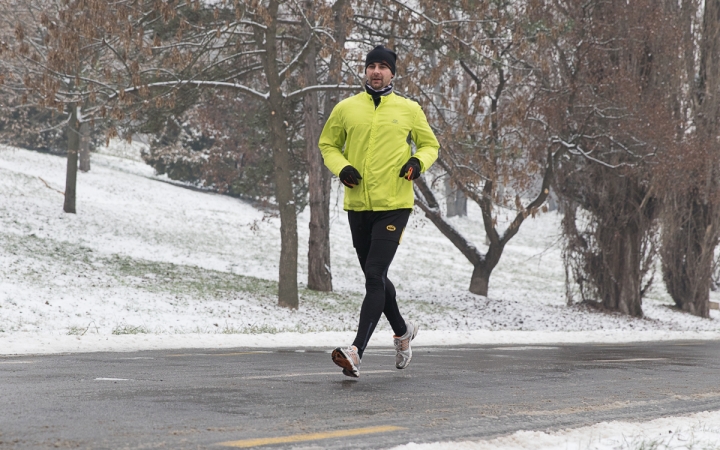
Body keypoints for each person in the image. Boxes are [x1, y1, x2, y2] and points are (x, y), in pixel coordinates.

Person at [318, 45, 440, 378]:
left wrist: (418, 161)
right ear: (365, 71)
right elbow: (327, 144)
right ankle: (402, 332)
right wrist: (341, 167)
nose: (376, 71)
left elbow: (430, 145)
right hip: (358, 206)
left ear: (392, 73)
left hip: (395, 206)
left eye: (383, 66)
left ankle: (356, 351)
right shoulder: (346, 109)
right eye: (371, 65)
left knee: (373, 273)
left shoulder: (409, 109)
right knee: (377, 278)